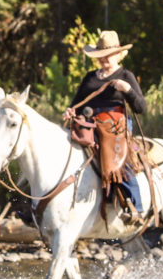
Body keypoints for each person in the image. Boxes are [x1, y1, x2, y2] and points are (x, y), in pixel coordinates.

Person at [62, 30, 147, 220]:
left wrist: (128, 90)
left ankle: (135, 206)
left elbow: (141, 107)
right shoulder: (90, 77)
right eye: (101, 56)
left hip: (116, 124)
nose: (103, 60)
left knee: (117, 157)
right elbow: (77, 102)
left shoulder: (126, 75)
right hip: (89, 124)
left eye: (107, 56)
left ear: (118, 54)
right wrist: (70, 111)